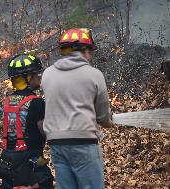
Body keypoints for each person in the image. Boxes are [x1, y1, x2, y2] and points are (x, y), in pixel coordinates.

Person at [41, 28, 114, 189]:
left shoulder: (47, 74)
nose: (90, 56)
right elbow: (102, 117)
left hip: (56, 144)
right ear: (84, 50)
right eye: (90, 51)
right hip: (83, 142)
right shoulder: (94, 74)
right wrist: (110, 122)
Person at [0, 53, 53, 189]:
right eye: (37, 73)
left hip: (8, 167)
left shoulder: (8, 102)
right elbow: (48, 133)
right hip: (32, 170)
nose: (40, 76)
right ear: (28, 78)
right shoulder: (37, 103)